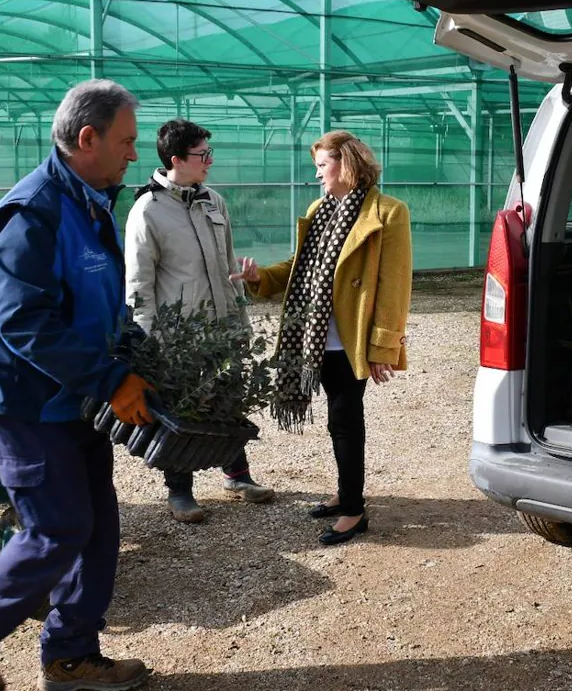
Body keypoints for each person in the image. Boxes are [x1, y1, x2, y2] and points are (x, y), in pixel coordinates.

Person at [0, 80, 154, 691]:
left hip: (72, 396)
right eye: (127, 141)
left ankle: (72, 657)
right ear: (88, 139)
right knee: (58, 527)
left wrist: (130, 355)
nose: (134, 153)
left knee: (98, 526)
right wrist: (109, 379)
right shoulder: (34, 213)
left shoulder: (91, 203)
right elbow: (22, 323)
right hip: (25, 401)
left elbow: (101, 304)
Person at [233, 131, 412, 545]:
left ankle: (353, 510)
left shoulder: (387, 213)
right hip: (314, 339)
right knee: (338, 421)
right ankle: (345, 493)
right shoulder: (321, 209)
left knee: (346, 421)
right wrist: (261, 278)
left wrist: (383, 346)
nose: (317, 175)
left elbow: (394, 285)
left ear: (346, 163)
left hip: (349, 340)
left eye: (322, 165)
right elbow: (301, 266)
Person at [125, 119, 275, 523]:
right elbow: (139, 284)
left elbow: (227, 264)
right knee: (183, 408)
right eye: (201, 154)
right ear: (176, 160)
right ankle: (180, 492)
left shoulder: (214, 201)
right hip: (180, 336)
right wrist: (150, 340)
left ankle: (238, 475)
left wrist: (239, 318)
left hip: (222, 325)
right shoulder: (147, 211)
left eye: (210, 152)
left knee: (228, 399)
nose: (209, 160)